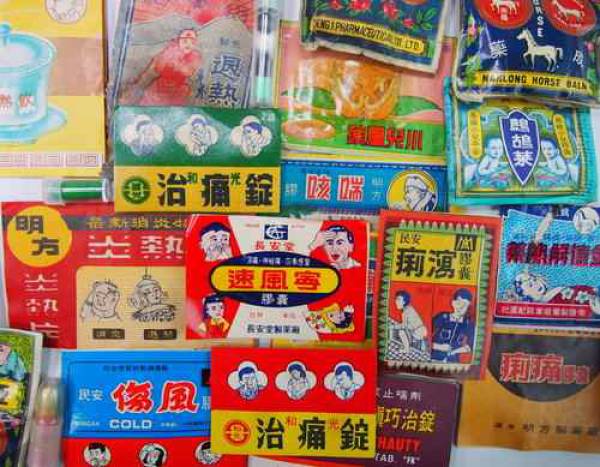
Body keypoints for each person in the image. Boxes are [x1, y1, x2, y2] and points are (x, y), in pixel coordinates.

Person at [132, 29, 202, 106]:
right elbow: (158, 68)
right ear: (178, 41)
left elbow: (188, 72)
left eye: (192, 42)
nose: (188, 45)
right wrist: (169, 57)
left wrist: (177, 63)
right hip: (159, 86)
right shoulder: (168, 52)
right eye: (184, 41)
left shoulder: (195, 56)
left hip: (179, 89)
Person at [431, 289, 475, 363]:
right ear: (453, 303)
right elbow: (425, 337)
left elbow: (470, 346)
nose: (461, 307)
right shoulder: (442, 317)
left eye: (465, 305)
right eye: (459, 302)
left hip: (452, 361)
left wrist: (454, 352)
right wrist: (439, 347)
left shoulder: (468, 323)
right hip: (434, 358)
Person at [388, 290, 428, 355]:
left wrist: (394, 326)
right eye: (396, 299)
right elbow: (407, 325)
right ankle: (417, 343)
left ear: (404, 302)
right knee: (401, 330)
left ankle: (406, 349)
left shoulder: (406, 311)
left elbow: (405, 325)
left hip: (419, 331)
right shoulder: (408, 309)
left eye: (398, 300)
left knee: (401, 332)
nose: (396, 301)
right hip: (419, 330)